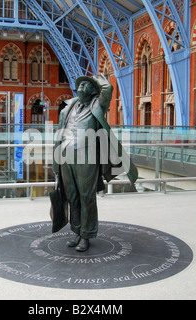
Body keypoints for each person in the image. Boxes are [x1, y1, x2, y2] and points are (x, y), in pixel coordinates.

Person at [52, 74, 138, 252]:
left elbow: (108, 89)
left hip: (88, 156)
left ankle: (87, 235)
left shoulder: (97, 104)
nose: (82, 86)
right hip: (66, 157)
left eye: (87, 85)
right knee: (72, 196)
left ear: (93, 91)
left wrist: (96, 80)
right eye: (81, 84)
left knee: (87, 197)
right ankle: (76, 231)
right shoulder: (68, 108)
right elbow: (59, 134)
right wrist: (56, 163)